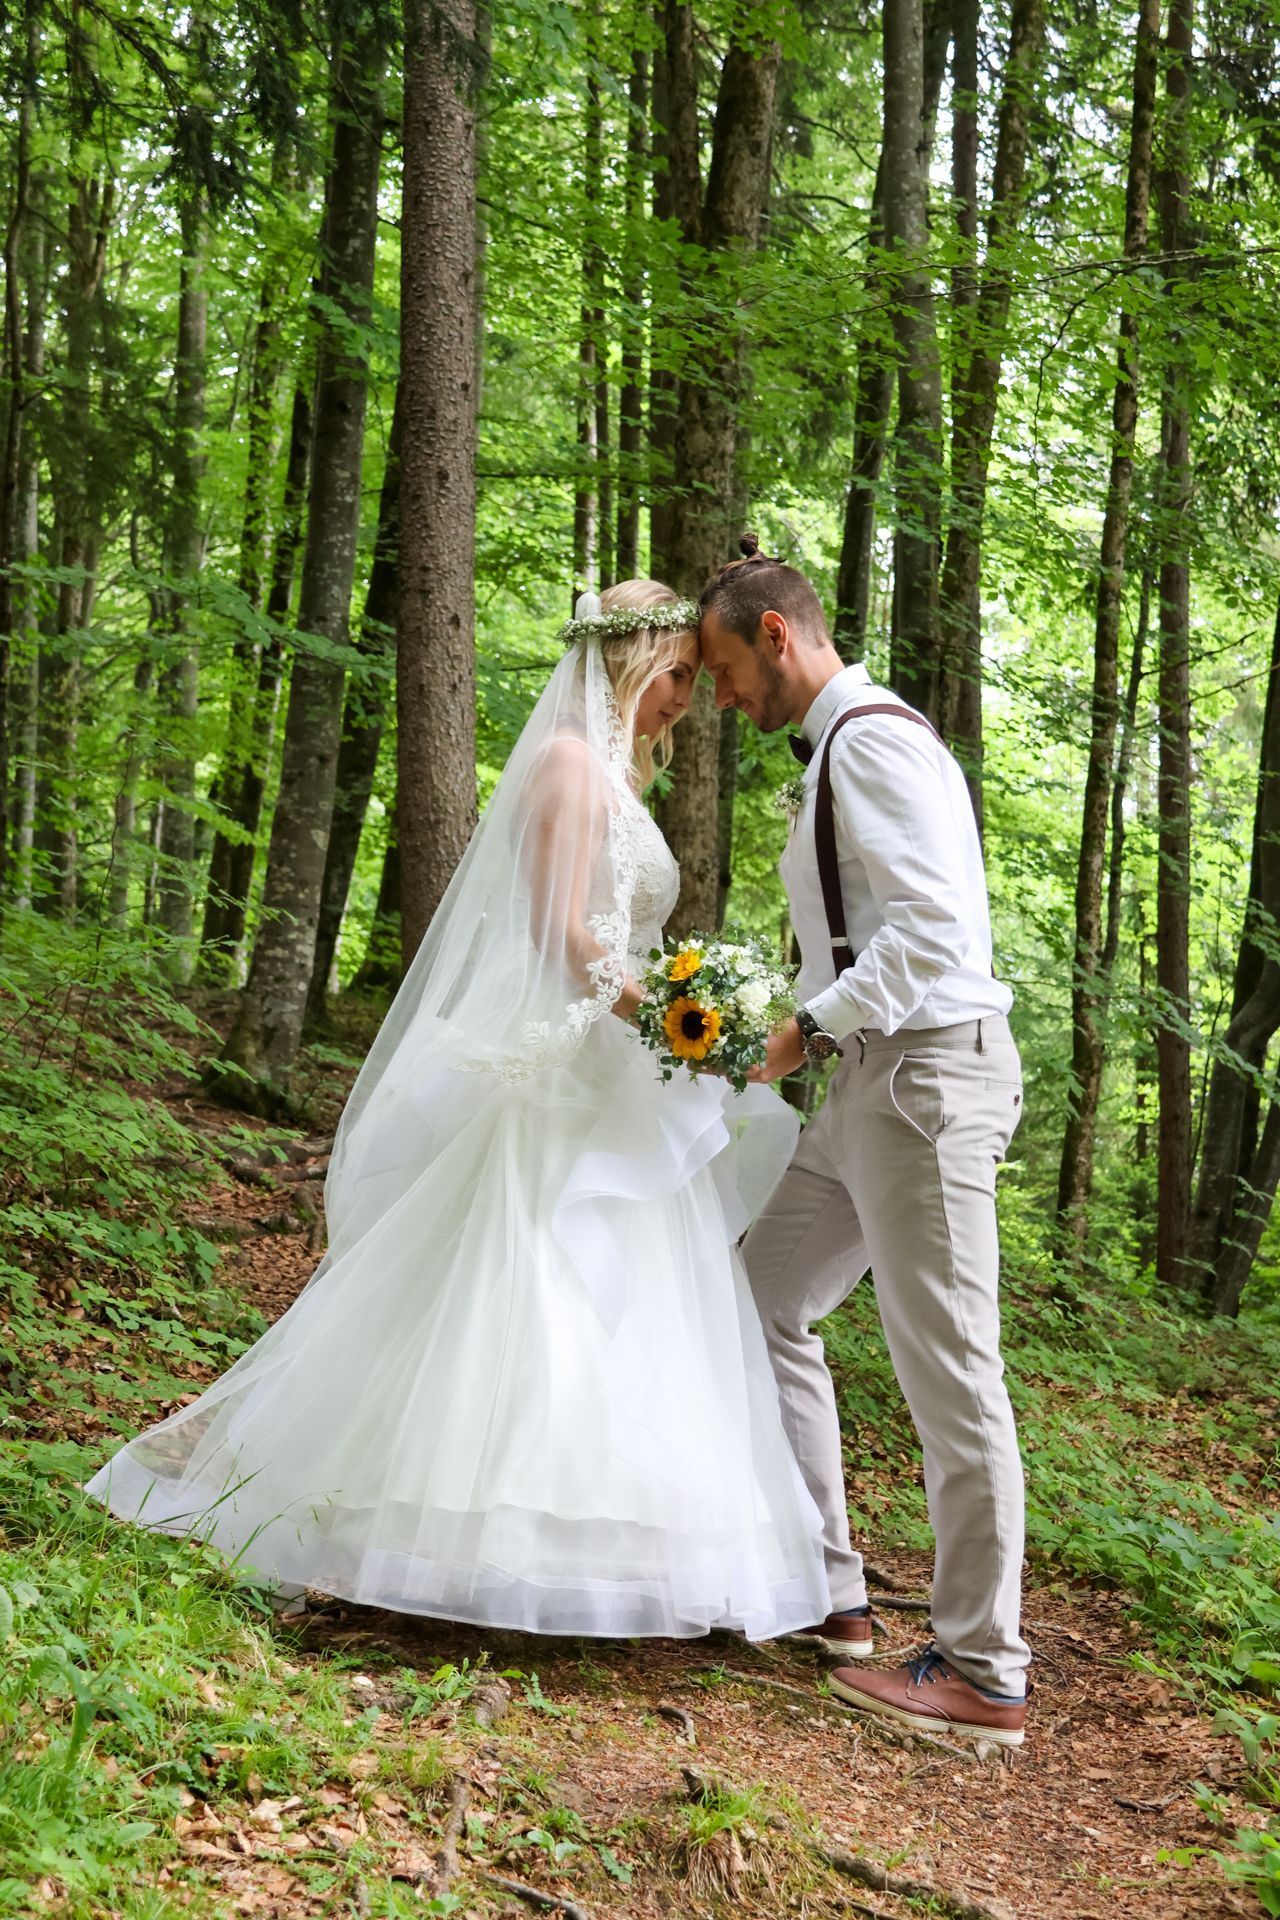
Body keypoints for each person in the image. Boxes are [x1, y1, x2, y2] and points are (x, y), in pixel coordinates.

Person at [85, 580, 830, 1641]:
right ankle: (454, 1543)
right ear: (626, 665)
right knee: (527, 1287)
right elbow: (565, 939)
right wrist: (675, 1018)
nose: (684, 699)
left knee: (621, 1295)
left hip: (614, 1070)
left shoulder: (616, 775)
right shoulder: (570, 768)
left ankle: (588, 1551)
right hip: (566, 1078)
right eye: (674, 676)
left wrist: (681, 1010)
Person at [699, 539, 1029, 1746]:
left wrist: (801, 1028)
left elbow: (933, 934)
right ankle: (828, 1588)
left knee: (950, 1369)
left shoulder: (875, 740)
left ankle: (985, 1671)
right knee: (754, 1294)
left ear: (775, 636)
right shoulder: (836, 750)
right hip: (864, 1088)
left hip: (924, 1084)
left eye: (727, 669)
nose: (723, 697)